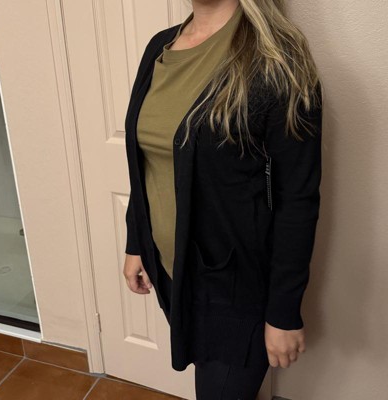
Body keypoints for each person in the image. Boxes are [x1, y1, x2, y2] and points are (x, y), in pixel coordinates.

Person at [123, 0, 323, 398]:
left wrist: (283, 312)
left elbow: (297, 198)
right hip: (172, 272)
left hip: (237, 290)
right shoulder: (160, 47)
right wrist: (136, 241)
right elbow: (147, 164)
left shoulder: (278, 61)